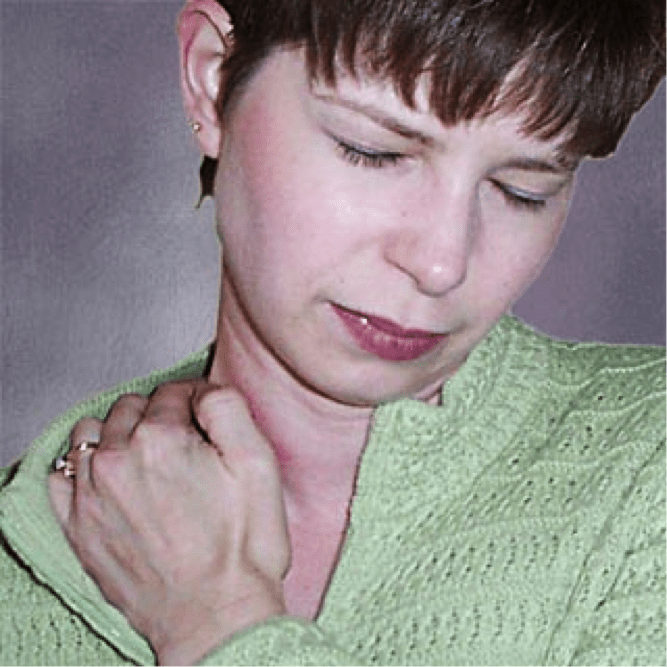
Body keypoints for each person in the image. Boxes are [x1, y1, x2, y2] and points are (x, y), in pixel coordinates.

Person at [1, 0, 665, 665]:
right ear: (212, 77)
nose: (440, 261)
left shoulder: (643, 470)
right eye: (373, 151)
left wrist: (217, 621)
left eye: (520, 188)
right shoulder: (19, 562)